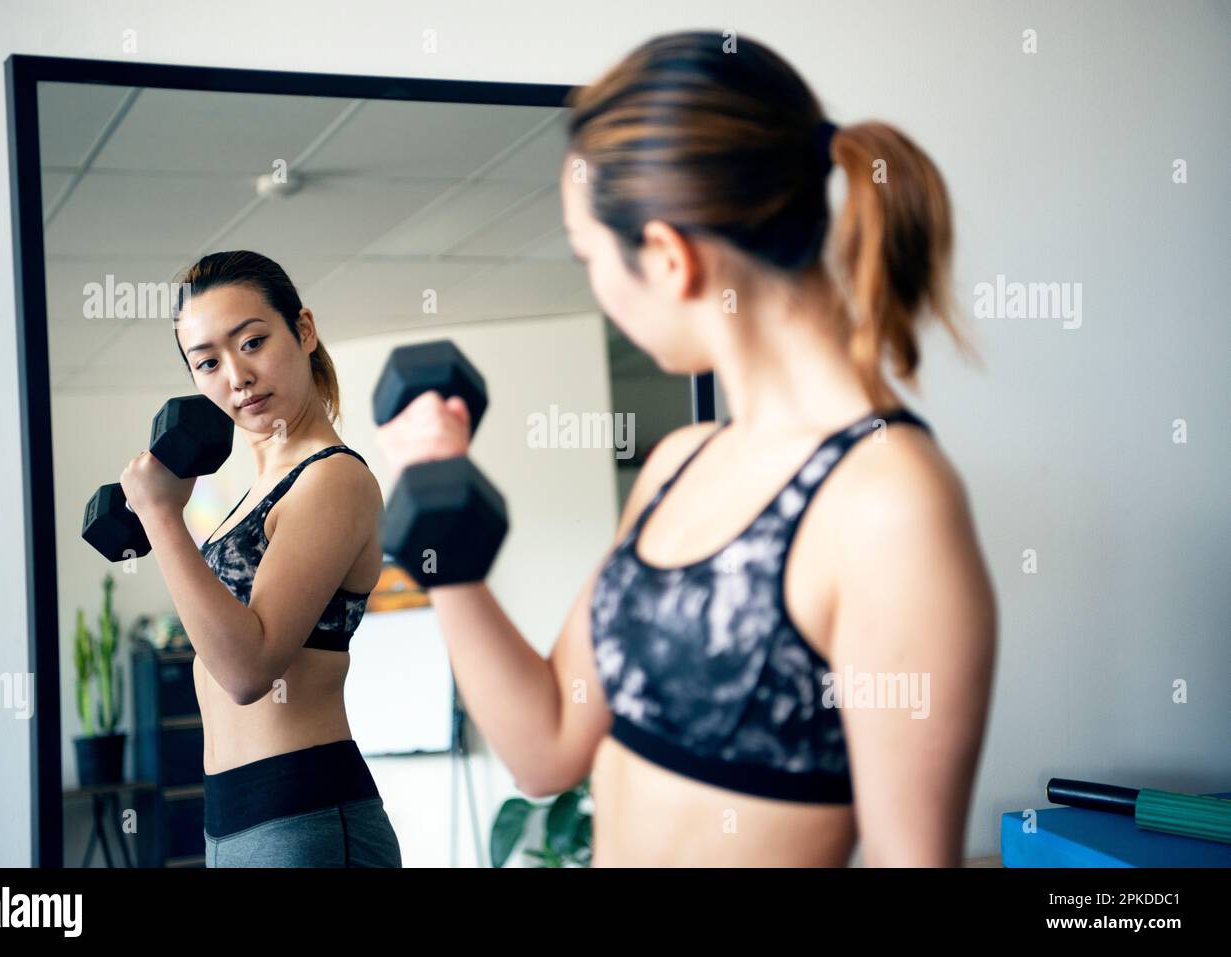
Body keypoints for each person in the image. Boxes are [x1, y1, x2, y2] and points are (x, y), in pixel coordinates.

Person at [375, 31, 997, 866]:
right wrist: (437, 528)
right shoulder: (679, 464)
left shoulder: (888, 500)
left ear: (667, 258)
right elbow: (548, 744)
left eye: (588, 254)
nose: (595, 283)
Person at [118, 250, 402, 867]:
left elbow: (249, 671)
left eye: (252, 342)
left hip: (305, 818)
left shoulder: (333, 480)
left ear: (303, 330)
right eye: (209, 362)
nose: (236, 377)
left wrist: (160, 517)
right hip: (233, 819)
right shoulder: (254, 491)